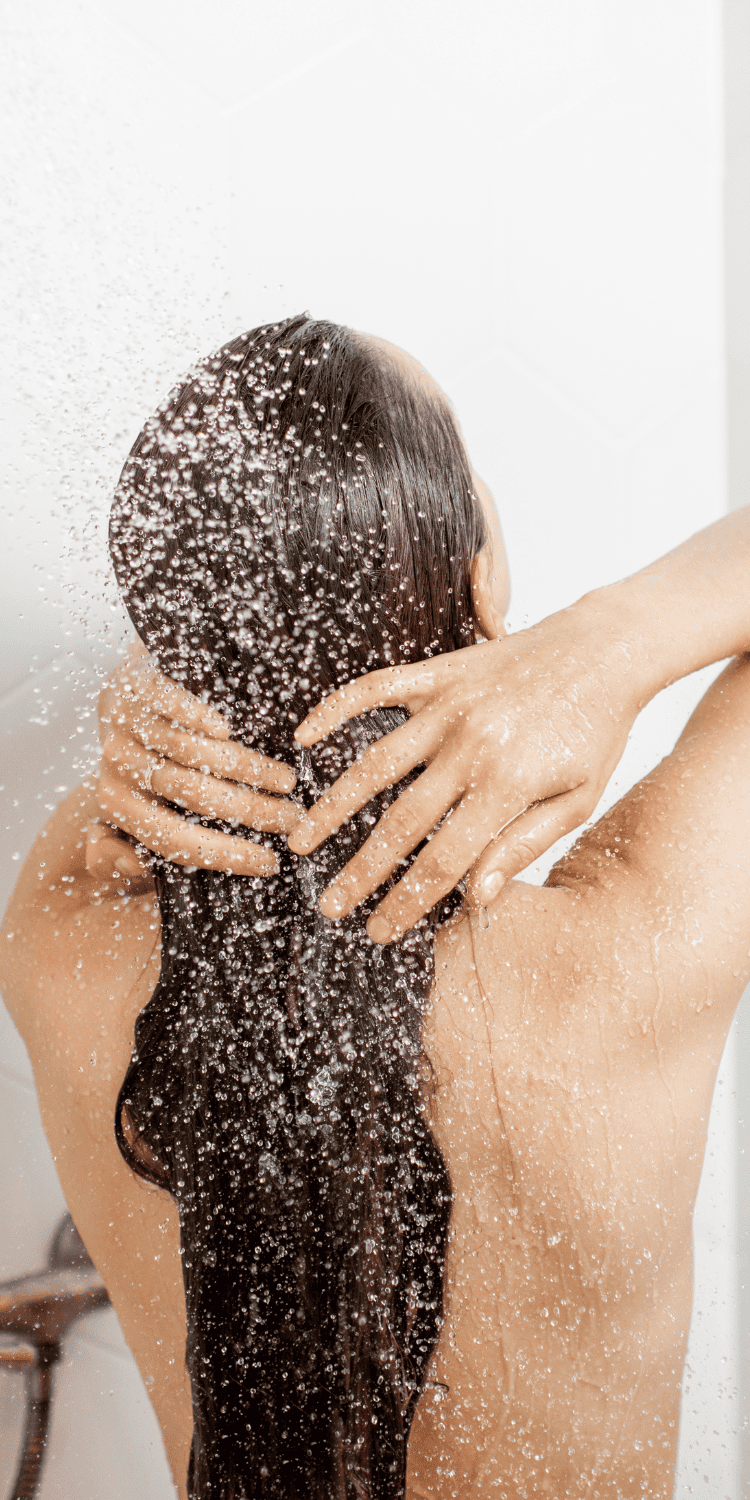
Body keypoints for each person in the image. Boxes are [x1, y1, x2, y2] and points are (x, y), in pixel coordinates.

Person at [1, 314, 750, 1500]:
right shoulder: (631, 951)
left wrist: (143, 702)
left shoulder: (59, 940)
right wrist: (607, 645)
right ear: (480, 580)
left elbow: (162, 735)